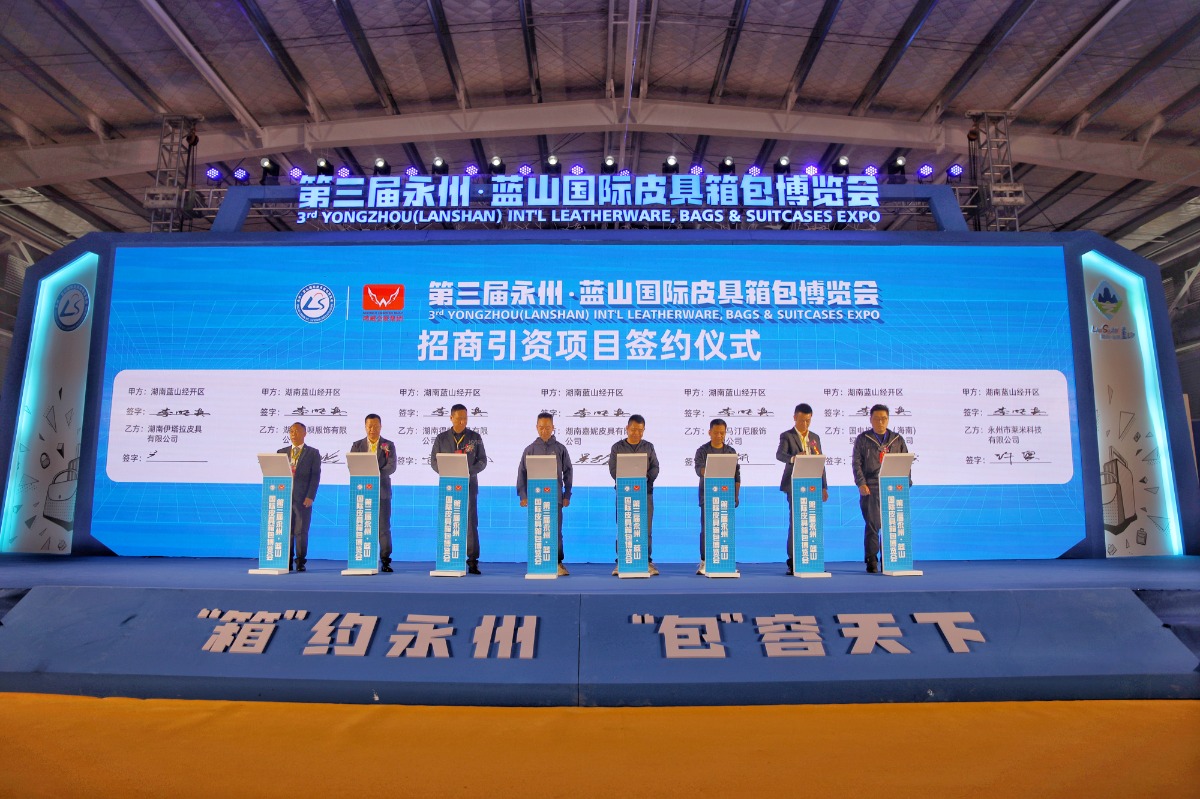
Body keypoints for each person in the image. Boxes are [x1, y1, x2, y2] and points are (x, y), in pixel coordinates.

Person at [429, 403, 487, 574]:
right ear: (451, 418)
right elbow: (433, 461)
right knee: (449, 520)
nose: (462, 421)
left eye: (465, 418)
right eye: (459, 418)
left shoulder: (475, 437)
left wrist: (467, 472)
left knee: (470, 522)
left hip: (468, 484)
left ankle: (472, 560)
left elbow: (482, 461)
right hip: (448, 486)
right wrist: (447, 472)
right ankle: (448, 557)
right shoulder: (441, 438)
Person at [852, 403, 910, 573]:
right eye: (877, 419)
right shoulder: (863, 439)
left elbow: (906, 462)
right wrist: (861, 483)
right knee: (873, 524)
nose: (880, 422)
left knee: (892, 524)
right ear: (870, 420)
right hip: (871, 486)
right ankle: (872, 560)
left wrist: (906, 483)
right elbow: (856, 463)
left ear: (888, 419)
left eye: (884, 419)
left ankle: (891, 558)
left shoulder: (897, 439)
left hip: (893, 486)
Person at [516, 412, 574, 576]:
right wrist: (523, 495)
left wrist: (567, 495)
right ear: (536, 427)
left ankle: (557, 562)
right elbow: (522, 473)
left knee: (555, 531)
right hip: (536, 499)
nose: (544, 431)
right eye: (541, 427)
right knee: (537, 530)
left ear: (553, 427)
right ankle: (538, 560)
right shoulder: (530, 450)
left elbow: (568, 472)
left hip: (555, 498)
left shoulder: (560, 449)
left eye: (548, 427)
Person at [776, 402, 828, 575]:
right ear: (794, 418)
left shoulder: (815, 437)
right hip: (794, 484)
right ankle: (793, 560)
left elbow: (820, 463)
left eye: (808, 421)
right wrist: (794, 458)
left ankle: (813, 558)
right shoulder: (787, 436)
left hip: (813, 485)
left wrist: (824, 486)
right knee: (796, 521)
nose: (805, 424)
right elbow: (780, 455)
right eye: (801, 421)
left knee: (812, 521)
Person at [608, 413, 660, 576]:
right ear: (627, 429)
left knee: (645, 528)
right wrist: (628, 479)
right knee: (624, 527)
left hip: (645, 493)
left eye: (640, 430)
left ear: (643, 430)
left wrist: (645, 479)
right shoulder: (617, 447)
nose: (636, 433)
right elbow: (613, 469)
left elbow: (655, 467)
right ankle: (621, 561)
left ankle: (647, 561)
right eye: (633, 429)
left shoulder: (648, 447)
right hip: (625, 494)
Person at [350, 413, 397, 572]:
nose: (373, 429)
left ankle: (385, 560)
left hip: (382, 492)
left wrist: (375, 474)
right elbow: (352, 466)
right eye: (370, 426)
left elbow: (391, 466)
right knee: (362, 526)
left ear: (380, 427)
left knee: (383, 528)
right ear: (365, 427)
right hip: (362, 493)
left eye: (376, 426)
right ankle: (362, 558)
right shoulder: (357, 446)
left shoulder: (388, 445)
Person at [694, 418, 740, 575]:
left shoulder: (730, 452)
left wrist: (736, 495)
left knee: (725, 528)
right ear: (709, 432)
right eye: (716, 433)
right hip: (707, 496)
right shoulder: (702, 451)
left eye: (722, 433)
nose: (719, 436)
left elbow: (736, 475)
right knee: (707, 529)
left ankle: (726, 561)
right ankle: (705, 561)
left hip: (726, 496)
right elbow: (699, 470)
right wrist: (712, 468)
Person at [278, 422, 320, 572]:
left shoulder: (313, 453)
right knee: (286, 531)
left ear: (304, 433)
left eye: (297, 431)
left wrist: (310, 496)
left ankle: (301, 562)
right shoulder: (281, 452)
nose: (293, 434)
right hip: (285, 498)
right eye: (291, 431)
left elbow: (315, 477)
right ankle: (287, 561)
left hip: (303, 499)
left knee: (301, 532)